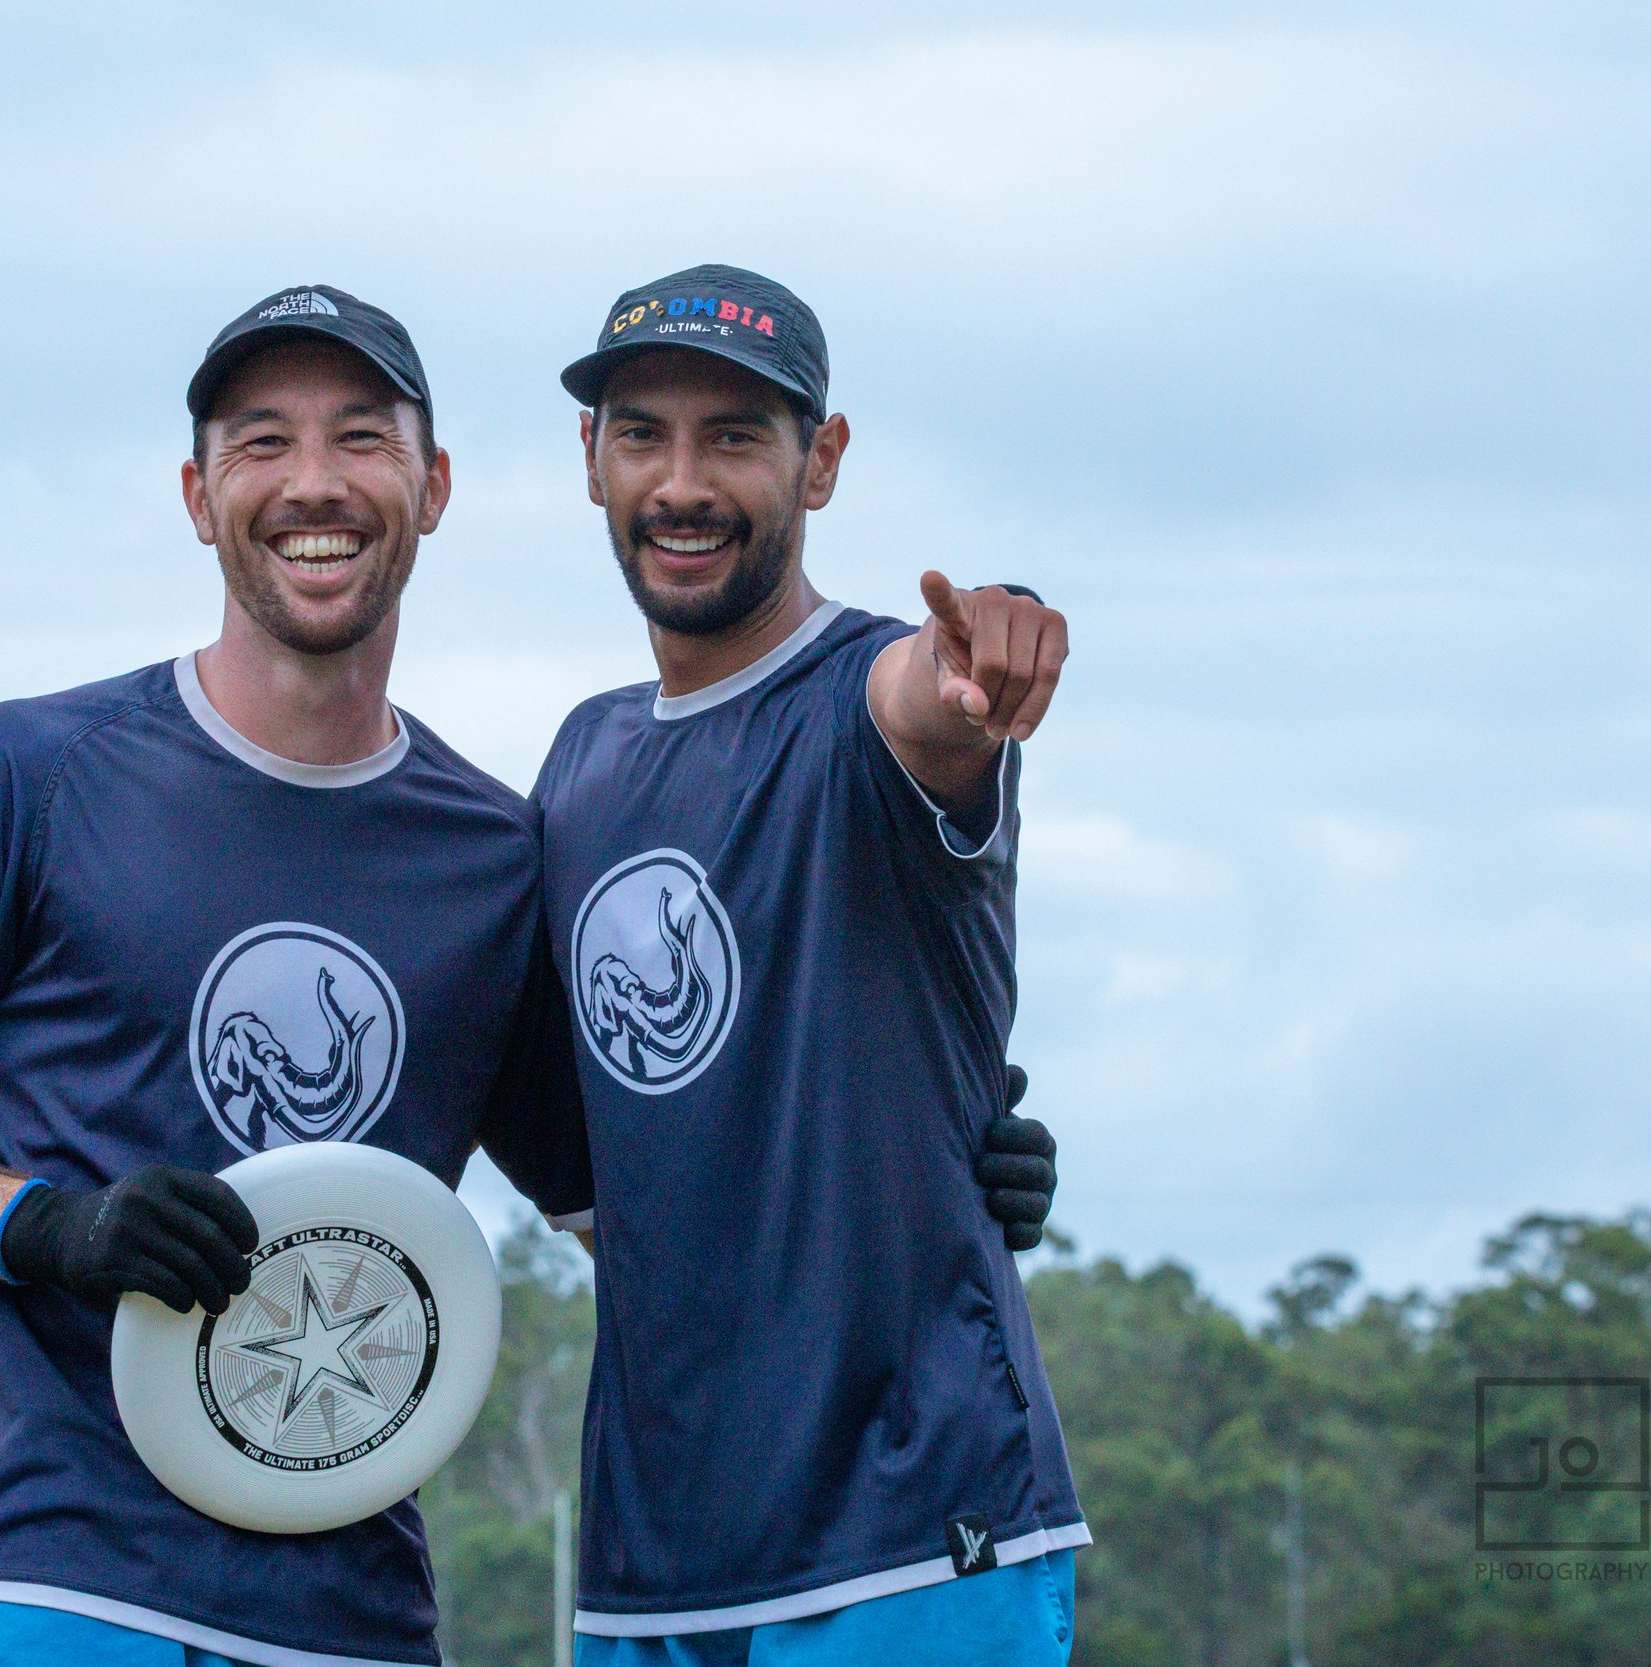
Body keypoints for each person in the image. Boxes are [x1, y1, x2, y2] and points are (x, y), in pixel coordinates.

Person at [0, 284, 596, 1667]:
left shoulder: (501, 855)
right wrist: (52, 1229)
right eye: (260, 443)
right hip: (59, 1589)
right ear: (198, 497)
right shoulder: (24, 776)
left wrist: (926, 1154)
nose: (312, 483)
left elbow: (634, 1203)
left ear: (434, 485)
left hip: (356, 1620)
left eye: (361, 439)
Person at [535, 265, 1087, 1666]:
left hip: (914, 1544)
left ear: (819, 462)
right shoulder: (581, 763)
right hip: (655, 1569)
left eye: (735, 437)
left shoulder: (870, 701)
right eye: (644, 434)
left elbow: (939, 703)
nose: (682, 482)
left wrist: (991, 644)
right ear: (591, 461)